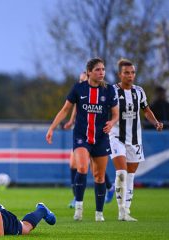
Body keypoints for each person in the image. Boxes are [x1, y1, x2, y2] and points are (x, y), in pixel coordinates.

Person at [46, 58, 119, 221]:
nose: (102, 73)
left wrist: (112, 122)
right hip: (81, 136)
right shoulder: (79, 88)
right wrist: (51, 128)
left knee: (99, 176)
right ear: (89, 72)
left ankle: (99, 214)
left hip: (101, 137)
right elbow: (65, 110)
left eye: (103, 69)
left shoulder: (108, 90)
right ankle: (79, 207)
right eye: (98, 70)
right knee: (82, 168)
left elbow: (115, 114)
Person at [110, 59, 164, 221]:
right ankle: (121, 211)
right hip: (116, 136)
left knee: (131, 176)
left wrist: (155, 122)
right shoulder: (112, 91)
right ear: (120, 74)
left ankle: (126, 210)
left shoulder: (139, 91)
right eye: (127, 72)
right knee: (121, 173)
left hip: (134, 139)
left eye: (132, 72)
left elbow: (146, 110)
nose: (130, 75)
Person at [64, 72, 115, 208]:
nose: (81, 82)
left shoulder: (99, 92)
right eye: (79, 80)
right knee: (74, 164)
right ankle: (76, 197)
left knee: (94, 169)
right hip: (81, 134)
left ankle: (109, 187)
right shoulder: (80, 92)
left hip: (94, 135)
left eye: (83, 80)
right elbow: (76, 107)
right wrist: (70, 121)